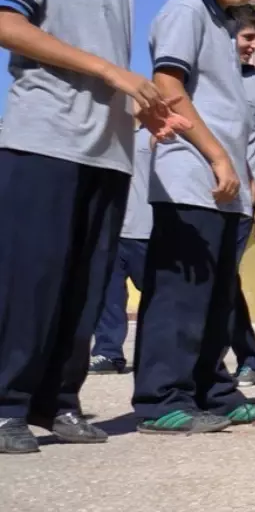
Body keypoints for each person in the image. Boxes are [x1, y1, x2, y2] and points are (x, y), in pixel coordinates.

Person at [0, 0, 187, 454]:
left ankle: (59, 401)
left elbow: (117, 65)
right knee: (32, 279)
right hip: (43, 141)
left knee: (86, 285)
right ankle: (7, 404)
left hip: (107, 152)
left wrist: (141, 108)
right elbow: (7, 24)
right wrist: (111, 72)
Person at [133, 0, 255, 434]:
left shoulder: (223, 25)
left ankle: (212, 390)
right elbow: (168, 87)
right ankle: (160, 399)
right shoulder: (186, 10)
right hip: (189, 178)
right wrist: (219, 158)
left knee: (218, 295)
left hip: (226, 188)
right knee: (180, 291)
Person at [90, 127, 153, 375]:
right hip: (110, 231)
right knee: (108, 297)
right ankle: (108, 352)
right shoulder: (107, 135)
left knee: (159, 297)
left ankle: (157, 355)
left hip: (146, 230)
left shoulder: (155, 134)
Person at [229, 4, 255, 387]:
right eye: (249, 38)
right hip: (192, 192)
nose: (254, 46)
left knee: (224, 280)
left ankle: (248, 357)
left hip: (239, 198)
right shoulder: (202, 77)